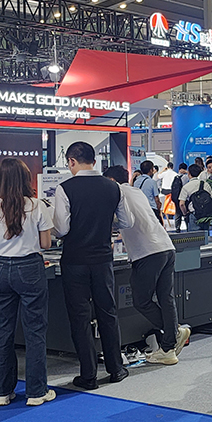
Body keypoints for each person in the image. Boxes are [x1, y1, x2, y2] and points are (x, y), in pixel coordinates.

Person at [52, 143, 134, 390]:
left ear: (71, 161)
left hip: (74, 260)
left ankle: (88, 375)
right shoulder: (113, 187)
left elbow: (62, 228)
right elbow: (127, 222)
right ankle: (116, 368)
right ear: (94, 161)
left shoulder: (65, 188)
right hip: (102, 259)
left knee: (80, 317)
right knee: (107, 312)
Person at [0, 158, 55, 407]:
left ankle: (2, 392)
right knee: (35, 331)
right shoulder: (36, 205)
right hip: (30, 268)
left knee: (2, 333)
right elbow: (46, 244)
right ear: (25, 179)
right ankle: (36, 392)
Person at [105, 165, 191, 365]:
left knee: (141, 301)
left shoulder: (116, 193)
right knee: (166, 298)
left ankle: (173, 333)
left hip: (147, 253)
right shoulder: (136, 192)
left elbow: (122, 221)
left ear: (111, 181)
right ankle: (168, 348)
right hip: (166, 247)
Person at [178, 164, 212, 230]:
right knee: (205, 234)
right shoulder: (205, 184)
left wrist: (185, 214)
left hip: (194, 214)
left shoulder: (186, 187)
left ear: (189, 173)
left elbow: (181, 204)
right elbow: (211, 197)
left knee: (194, 235)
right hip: (206, 214)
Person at [134, 160, 163, 225]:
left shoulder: (136, 181)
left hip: (140, 209)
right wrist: (158, 209)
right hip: (151, 209)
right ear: (150, 170)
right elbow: (156, 198)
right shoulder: (152, 182)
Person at [172, 163, 190, 231]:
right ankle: (188, 227)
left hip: (176, 198)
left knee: (177, 213)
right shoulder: (185, 177)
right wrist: (187, 172)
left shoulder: (176, 177)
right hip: (183, 198)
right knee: (185, 213)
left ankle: (177, 227)